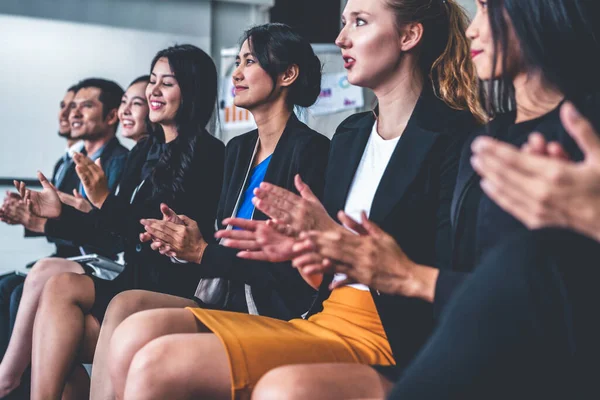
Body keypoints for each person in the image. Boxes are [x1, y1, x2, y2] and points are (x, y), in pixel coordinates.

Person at [107, 0, 483, 397]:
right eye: (343, 23)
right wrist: (300, 249)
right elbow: (320, 273)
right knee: (139, 335)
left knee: (164, 362)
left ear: (409, 35)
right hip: (321, 315)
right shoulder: (351, 133)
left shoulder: (455, 137)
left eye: (359, 22)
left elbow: (450, 270)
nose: (341, 39)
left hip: (389, 334)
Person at [251, 0, 600, 398]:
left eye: (488, 8)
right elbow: (474, 279)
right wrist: (324, 252)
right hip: (475, 340)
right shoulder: (491, 137)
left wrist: (405, 275)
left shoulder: (472, 134)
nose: (472, 28)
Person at [86, 23, 329, 400]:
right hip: (222, 296)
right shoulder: (239, 150)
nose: (236, 73)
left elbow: (288, 268)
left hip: (269, 308)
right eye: (239, 62)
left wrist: (202, 251)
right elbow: (220, 242)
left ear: (287, 74)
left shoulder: (310, 151)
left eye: (250, 61)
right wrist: (182, 239)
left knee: (135, 328)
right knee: (125, 304)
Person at [3, 45, 225, 400]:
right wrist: (58, 215)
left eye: (166, 83)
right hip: (131, 278)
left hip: (167, 286)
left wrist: (105, 199)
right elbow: (112, 233)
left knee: (61, 332)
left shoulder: (209, 154)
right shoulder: (145, 150)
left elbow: (151, 233)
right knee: (58, 292)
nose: (153, 91)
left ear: (192, 91)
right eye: (152, 80)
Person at [0, 78, 130, 399]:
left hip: (101, 262)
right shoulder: (70, 160)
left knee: (19, 292)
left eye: (84, 105)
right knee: (6, 287)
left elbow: (106, 228)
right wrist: (31, 217)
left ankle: (14, 382)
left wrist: (43, 221)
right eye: (69, 106)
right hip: (76, 258)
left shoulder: (117, 161)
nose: (72, 113)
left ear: (113, 115)